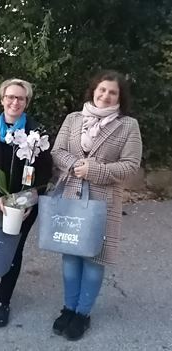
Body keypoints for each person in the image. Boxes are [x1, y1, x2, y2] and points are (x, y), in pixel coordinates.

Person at [51, 70, 142, 340]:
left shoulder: (128, 125)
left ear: (119, 97)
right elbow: (58, 151)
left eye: (112, 92)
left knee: (94, 258)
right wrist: (75, 165)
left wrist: (93, 170)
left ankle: (82, 313)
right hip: (71, 196)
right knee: (70, 256)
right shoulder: (73, 119)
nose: (105, 95)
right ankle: (68, 308)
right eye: (102, 90)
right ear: (93, 90)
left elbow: (130, 166)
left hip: (104, 202)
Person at [0, 78, 53, 327]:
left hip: (22, 204)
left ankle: (3, 300)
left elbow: (44, 173)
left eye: (20, 98)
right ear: (2, 100)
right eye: (10, 97)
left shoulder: (37, 132)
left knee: (12, 252)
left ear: (26, 102)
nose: (14, 102)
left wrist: (26, 201)